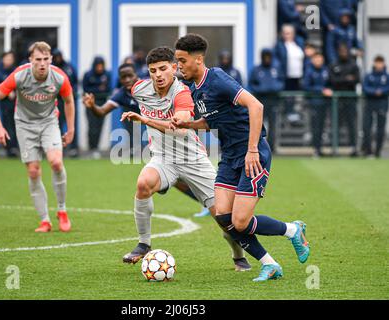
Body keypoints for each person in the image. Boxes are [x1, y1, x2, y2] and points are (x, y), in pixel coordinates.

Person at [173, 33, 310, 282]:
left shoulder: (217, 79)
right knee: (223, 217)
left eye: (182, 60)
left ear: (198, 59)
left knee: (240, 221)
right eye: (177, 60)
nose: (178, 65)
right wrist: (190, 124)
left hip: (253, 154)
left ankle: (292, 230)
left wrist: (253, 149)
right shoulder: (195, 89)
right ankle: (269, 264)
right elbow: (213, 120)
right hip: (230, 157)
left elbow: (256, 106)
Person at [120, 46, 251, 272]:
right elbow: (123, 95)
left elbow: (179, 129)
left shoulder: (182, 93)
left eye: (163, 69)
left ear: (174, 68)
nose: (158, 75)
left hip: (193, 160)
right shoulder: (139, 89)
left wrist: (144, 120)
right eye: (153, 71)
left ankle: (238, 256)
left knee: (223, 216)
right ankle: (143, 244)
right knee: (143, 183)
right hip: (163, 158)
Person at [83, 63, 213, 218]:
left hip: (179, 132)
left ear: (136, 75)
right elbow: (102, 111)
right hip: (159, 140)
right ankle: (203, 202)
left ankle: (215, 200)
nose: (127, 80)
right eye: (123, 77)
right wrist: (92, 106)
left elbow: (175, 81)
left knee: (194, 170)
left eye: (130, 75)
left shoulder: (153, 85)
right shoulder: (122, 94)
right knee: (175, 179)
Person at [0, 41, 75, 233]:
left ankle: (62, 210)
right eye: (38, 60)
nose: (42, 64)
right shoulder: (19, 75)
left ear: (51, 59)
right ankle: (45, 220)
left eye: (46, 59)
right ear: (30, 60)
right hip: (24, 125)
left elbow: (69, 101)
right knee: (34, 171)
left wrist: (71, 129)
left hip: (49, 123)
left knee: (56, 163)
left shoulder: (59, 77)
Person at [248, 49, 285, 152]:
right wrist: (261, 89)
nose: (267, 59)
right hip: (260, 101)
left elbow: (282, 82)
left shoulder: (276, 68)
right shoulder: (256, 70)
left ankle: (272, 147)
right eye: (265, 56)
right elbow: (251, 84)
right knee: (258, 124)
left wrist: (274, 88)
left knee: (273, 124)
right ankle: (258, 146)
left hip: (273, 100)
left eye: (269, 56)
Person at [329, 43, 360, 156]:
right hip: (337, 100)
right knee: (336, 125)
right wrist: (347, 78)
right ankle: (334, 149)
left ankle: (354, 148)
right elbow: (332, 80)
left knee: (351, 124)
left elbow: (356, 80)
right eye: (341, 51)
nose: (343, 53)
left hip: (350, 99)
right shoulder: (334, 65)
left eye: (345, 51)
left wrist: (341, 79)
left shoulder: (353, 65)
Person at [303, 52, 333, 157]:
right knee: (315, 127)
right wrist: (321, 90)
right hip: (314, 103)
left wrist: (329, 90)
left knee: (322, 127)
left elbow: (330, 83)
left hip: (324, 103)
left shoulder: (326, 70)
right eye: (316, 59)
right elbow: (306, 86)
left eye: (320, 59)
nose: (318, 61)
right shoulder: (309, 71)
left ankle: (320, 148)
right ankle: (316, 149)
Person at [274, 24, 305, 123]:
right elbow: (277, 60)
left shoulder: (298, 43)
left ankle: (296, 112)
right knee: (288, 96)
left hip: (298, 75)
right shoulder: (280, 45)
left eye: (289, 33)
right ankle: (288, 113)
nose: (287, 35)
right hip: (286, 76)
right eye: (285, 33)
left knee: (296, 96)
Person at [82, 56, 111, 158]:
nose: (99, 68)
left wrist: (97, 89)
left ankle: (96, 148)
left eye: (101, 65)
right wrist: (98, 88)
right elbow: (85, 88)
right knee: (92, 126)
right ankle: (91, 147)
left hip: (102, 103)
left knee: (99, 126)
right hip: (90, 104)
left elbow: (108, 88)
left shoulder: (107, 74)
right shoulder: (88, 74)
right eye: (98, 65)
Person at [52, 49, 79, 157]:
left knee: (71, 124)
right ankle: (55, 147)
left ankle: (73, 148)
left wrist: (73, 91)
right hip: (55, 101)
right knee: (55, 125)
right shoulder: (52, 68)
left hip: (68, 100)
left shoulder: (69, 67)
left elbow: (76, 82)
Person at [362, 55, 389, 158]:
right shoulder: (369, 76)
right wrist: (374, 92)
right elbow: (365, 87)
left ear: (383, 64)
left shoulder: (386, 76)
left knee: (380, 128)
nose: (379, 65)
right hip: (369, 103)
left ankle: (378, 151)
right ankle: (368, 151)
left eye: (380, 62)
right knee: (367, 127)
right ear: (374, 63)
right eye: (377, 62)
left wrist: (381, 91)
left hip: (382, 103)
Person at [0, 51, 18, 158]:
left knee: (16, 126)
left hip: (16, 105)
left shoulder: (16, 72)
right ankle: (9, 148)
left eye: (11, 58)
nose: (9, 60)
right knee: (7, 126)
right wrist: (7, 92)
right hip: (5, 105)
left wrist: (15, 92)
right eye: (7, 58)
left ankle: (15, 147)